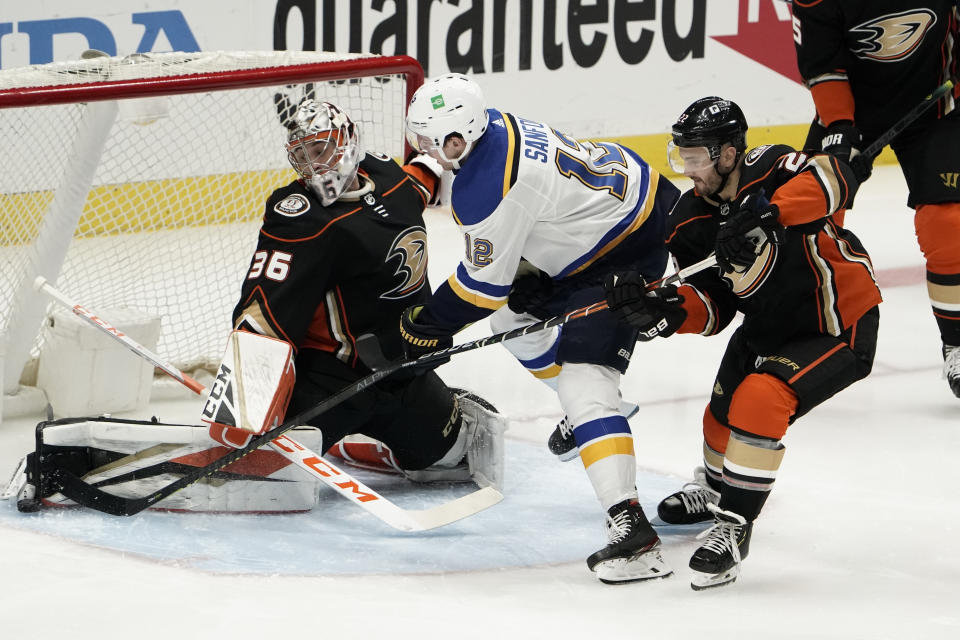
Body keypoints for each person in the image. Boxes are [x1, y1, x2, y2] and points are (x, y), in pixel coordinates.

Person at [400, 73, 681, 583]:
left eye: (427, 142)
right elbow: (506, 271)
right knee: (511, 310)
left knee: (585, 387)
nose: (422, 150)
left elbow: (479, 288)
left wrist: (428, 324)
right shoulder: (495, 129)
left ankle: (633, 531)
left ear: (456, 139)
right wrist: (528, 270)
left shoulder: (487, 185)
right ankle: (585, 418)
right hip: (615, 217)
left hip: (629, 250)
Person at [603, 97, 881, 589]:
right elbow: (715, 306)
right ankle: (711, 488)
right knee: (719, 418)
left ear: (729, 153)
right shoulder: (688, 218)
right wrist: (664, 312)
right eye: (682, 157)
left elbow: (837, 177)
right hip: (767, 324)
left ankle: (733, 526)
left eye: (698, 157)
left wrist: (770, 213)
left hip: (837, 318)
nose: (689, 169)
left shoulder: (772, 166)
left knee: (760, 399)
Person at [228, 98, 505, 490]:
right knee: (263, 476)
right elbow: (261, 315)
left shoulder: (387, 178)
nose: (314, 166)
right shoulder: (299, 218)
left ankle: (363, 444)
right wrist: (239, 415)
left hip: (401, 372)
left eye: (321, 149)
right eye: (301, 156)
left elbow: (421, 180)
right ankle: (332, 433)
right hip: (331, 381)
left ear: (349, 141)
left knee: (451, 462)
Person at [793, 0, 960, 396]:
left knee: (949, 222)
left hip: (938, 106)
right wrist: (840, 129)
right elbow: (823, 66)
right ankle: (800, 335)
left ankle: (957, 341)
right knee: (810, 225)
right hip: (855, 109)